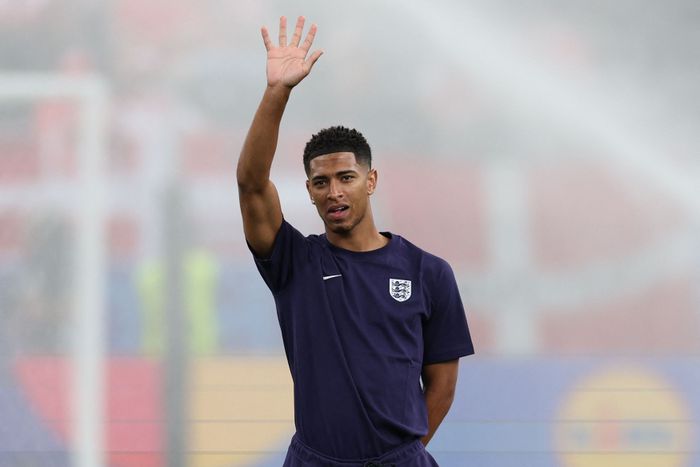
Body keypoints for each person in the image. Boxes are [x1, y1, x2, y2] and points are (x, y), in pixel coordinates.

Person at [237, 16, 474, 467]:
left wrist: (399, 455)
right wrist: (276, 93)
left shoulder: (428, 272)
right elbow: (251, 184)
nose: (334, 191)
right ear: (309, 191)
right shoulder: (294, 263)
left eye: (346, 177)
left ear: (371, 180)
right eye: (321, 182)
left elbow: (442, 385)